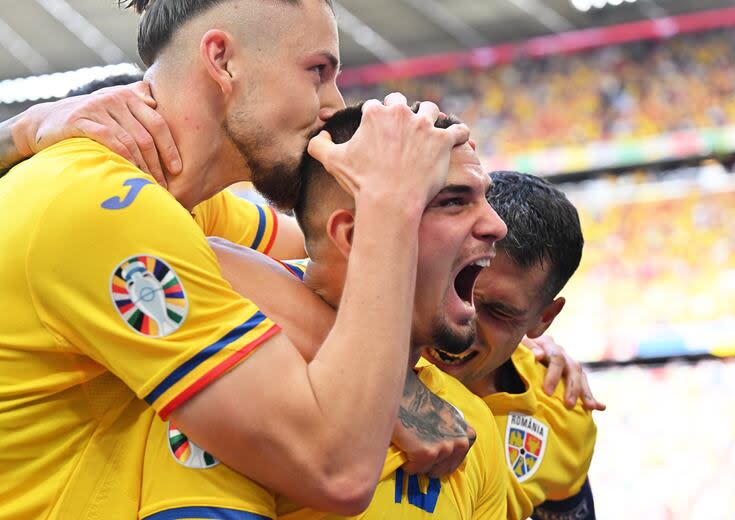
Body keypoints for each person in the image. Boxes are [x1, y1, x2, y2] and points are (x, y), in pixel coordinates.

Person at [0, 1, 473, 518]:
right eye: (317, 71)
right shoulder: (101, 205)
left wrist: (508, 325)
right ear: (222, 61)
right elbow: (335, 468)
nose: (334, 104)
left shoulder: (186, 205)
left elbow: (329, 259)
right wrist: (390, 200)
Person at [139, 105, 510, 519]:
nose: (497, 225)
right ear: (356, 235)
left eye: (484, 199)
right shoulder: (235, 393)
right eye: (454, 201)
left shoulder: (470, 424)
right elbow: (155, 243)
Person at [422, 171, 601, 519]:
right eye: (454, 285)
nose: (464, 317)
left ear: (543, 319)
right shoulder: (369, 353)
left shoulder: (563, 414)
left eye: (499, 312)